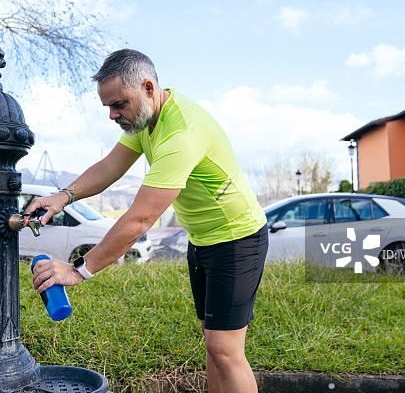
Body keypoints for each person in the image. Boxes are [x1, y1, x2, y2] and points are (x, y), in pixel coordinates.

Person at [26, 49, 268, 393]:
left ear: (149, 89)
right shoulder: (144, 119)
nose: (112, 115)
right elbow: (109, 168)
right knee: (214, 344)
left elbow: (140, 220)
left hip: (237, 238)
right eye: (108, 106)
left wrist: (78, 270)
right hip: (202, 240)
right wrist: (63, 196)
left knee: (225, 350)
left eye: (119, 104)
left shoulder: (180, 134)